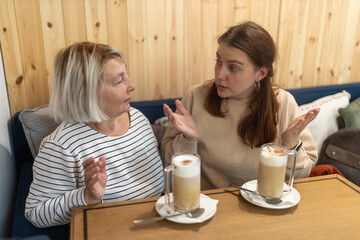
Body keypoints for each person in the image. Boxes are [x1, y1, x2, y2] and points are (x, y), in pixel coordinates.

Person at [161, 21, 320, 190]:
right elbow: (167, 163)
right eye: (219, 62)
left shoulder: (283, 103)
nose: (220, 75)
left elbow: (303, 173)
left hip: (263, 206)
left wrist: (291, 145)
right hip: (206, 206)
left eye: (233, 68)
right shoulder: (195, 97)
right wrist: (188, 140)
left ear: (261, 73)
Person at [25, 42, 164, 228]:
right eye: (119, 80)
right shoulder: (62, 146)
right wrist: (86, 196)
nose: (132, 85)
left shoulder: (138, 119)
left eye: (126, 75)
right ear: (88, 93)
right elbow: (35, 212)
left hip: (159, 223)